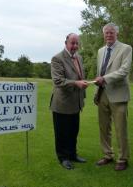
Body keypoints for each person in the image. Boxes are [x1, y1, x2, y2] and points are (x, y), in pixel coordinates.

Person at [94, 23, 132, 171]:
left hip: (118, 95)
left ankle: (123, 158)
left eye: (111, 32)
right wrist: (98, 87)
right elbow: (100, 72)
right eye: (106, 33)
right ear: (103, 35)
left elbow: (124, 71)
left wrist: (105, 78)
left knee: (120, 129)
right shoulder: (100, 51)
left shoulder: (126, 48)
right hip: (102, 93)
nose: (108, 35)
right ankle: (107, 155)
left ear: (117, 34)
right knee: (104, 128)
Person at [50, 33, 88, 170]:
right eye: (72, 43)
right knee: (62, 133)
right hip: (62, 104)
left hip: (75, 103)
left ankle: (72, 154)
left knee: (73, 131)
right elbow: (58, 81)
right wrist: (77, 83)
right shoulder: (57, 58)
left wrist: (82, 85)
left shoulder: (79, 57)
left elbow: (79, 76)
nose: (75, 46)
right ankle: (63, 158)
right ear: (66, 43)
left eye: (77, 43)